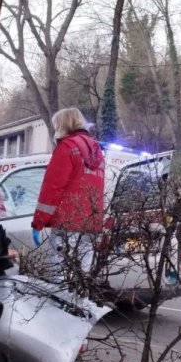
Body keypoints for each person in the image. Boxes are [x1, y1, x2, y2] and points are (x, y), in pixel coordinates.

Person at [31, 107, 105, 280]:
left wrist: (38, 222)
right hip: (91, 224)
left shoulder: (66, 148)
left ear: (64, 125)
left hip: (67, 223)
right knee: (82, 277)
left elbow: (52, 188)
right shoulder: (97, 152)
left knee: (59, 278)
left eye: (57, 125)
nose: (56, 129)